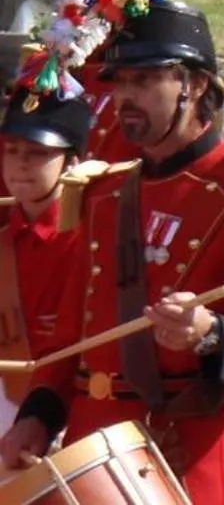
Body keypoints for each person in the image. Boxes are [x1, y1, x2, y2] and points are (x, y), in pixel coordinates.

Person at [0, 1, 224, 497]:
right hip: (95, 456)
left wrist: (212, 333)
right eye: (121, 81)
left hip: (186, 455)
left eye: (144, 81)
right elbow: (71, 337)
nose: (125, 96)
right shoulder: (103, 194)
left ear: (192, 85)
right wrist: (39, 416)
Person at [0, 78, 90, 433]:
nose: (20, 163)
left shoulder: (90, 240)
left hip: (67, 414)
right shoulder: (4, 242)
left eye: (38, 152)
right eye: (11, 150)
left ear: (72, 163)